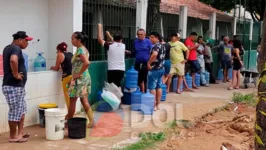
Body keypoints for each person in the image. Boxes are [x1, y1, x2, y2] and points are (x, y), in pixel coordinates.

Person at [2, 31, 33, 142]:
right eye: (26, 41)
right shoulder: (16, 49)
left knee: (21, 110)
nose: (27, 43)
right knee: (15, 111)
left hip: (17, 86)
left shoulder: (7, 48)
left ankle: (20, 133)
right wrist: (16, 74)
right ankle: (13, 136)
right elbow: (13, 60)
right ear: (19, 40)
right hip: (13, 85)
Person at [67, 31, 95, 128]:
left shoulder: (80, 50)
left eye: (73, 39)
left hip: (80, 79)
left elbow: (86, 63)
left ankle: (68, 121)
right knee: (84, 101)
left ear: (79, 40)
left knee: (72, 100)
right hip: (84, 78)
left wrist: (78, 74)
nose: (71, 41)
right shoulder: (84, 49)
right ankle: (92, 121)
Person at [97, 23, 129, 88]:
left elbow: (100, 40)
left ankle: (114, 98)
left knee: (112, 87)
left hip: (112, 70)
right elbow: (115, 42)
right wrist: (109, 35)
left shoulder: (110, 45)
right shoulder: (123, 45)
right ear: (121, 39)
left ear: (114, 39)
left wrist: (99, 27)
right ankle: (119, 98)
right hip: (121, 70)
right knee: (118, 85)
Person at [50, 42, 73, 110]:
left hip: (66, 78)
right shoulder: (71, 54)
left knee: (67, 96)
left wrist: (52, 67)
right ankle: (73, 112)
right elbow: (69, 65)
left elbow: (56, 68)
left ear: (59, 50)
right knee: (72, 96)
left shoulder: (60, 55)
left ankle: (70, 114)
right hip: (73, 77)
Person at [147, 32, 166, 111]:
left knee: (152, 87)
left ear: (157, 38)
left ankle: (153, 105)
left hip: (154, 69)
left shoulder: (155, 46)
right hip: (161, 69)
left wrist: (149, 63)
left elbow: (154, 54)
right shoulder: (163, 46)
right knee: (159, 86)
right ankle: (158, 105)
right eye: (150, 37)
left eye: (152, 37)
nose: (150, 39)